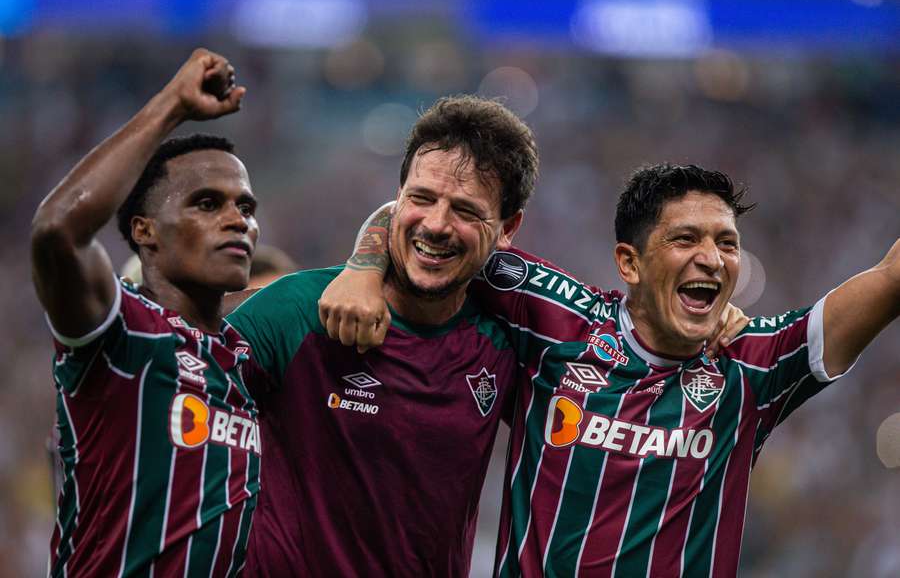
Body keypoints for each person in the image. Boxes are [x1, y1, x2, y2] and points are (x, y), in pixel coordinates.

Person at [322, 163, 900, 577]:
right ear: (629, 261)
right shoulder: (555, 318)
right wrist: (362, 265)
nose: (712, 257)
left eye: (726, 243)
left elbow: (889, 278)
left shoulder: (752, 365)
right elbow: (423, 217)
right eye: (685, 238)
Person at [225, 95, 535, 577]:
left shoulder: (506, 342)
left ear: (507, 228)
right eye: (422, 198)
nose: (436, 225)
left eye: (466, 211)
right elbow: (172, 389)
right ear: (398, 199)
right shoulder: (297, 310)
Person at [31, 49, 261, 577]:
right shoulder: (121, 332)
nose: (237, 221)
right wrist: (171, 107)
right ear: (144, 230)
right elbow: (56, 232)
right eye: (208, 204)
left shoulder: (250, 363)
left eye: (245, 208)